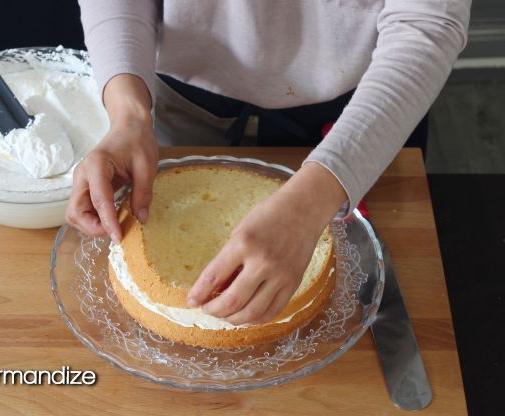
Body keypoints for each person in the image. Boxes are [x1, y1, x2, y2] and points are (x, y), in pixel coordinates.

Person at [67, 1, 470, 325]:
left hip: (367, 117)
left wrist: (312, 201)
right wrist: (128, 113)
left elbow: (427, 22)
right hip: (177, 104)